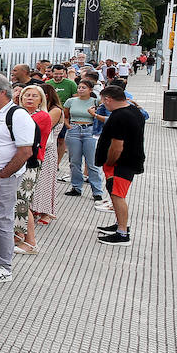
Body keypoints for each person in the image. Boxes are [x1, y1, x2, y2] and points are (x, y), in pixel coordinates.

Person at [0, 75, 34, 284]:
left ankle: (4, 266)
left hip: (5, 176)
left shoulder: (17, 115)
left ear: (3, 92)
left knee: (2, 218)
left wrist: (4, 174)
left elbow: (25, 151)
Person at [95, 85, 145, 246]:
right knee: (115, 193)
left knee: (117, 196)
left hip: (121, 163)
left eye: (103, 102)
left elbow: (117, 146)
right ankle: (119, 225)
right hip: (130, 160)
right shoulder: (134, 111)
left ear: (108, 99)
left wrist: (109, 162)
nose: (103, 105)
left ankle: (122, 233)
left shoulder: (119, 117)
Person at [13, 86, 49, 254]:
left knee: (23, 199)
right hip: (19, 160)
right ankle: (18, 236)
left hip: (31, 161)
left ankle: (31, 242)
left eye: (35, 96)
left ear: (41, 100)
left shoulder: (42, 116)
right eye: (27, 95)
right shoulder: (20, 113)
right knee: (16, 199)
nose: (30, 98)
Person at [63, 80, 104, 200]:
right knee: (74, 161)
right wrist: (68, 126)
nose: (80, 89)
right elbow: (65, 115)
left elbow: (104, 107)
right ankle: (76, 187)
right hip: (74, 129)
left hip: (90, 130)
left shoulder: (95, 101)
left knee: (92, 162)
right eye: (79, 87)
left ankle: (97, 191)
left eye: (84, 88)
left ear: (90, 90)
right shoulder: (71, 101)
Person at [29, 83, 64, 227]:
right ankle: (37, 208)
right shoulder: (41, 110)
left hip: (48, 150)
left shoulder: (55, 111)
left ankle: (46, 212)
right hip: (39, 148)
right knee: (37, 182)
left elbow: (41, 126)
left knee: (46, 182)